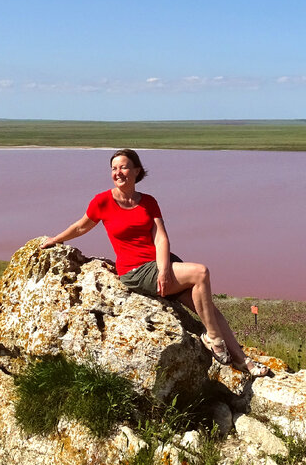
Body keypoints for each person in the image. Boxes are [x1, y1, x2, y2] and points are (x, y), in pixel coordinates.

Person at [39, 148, 270, 377]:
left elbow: (160, 237)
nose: (118, 172)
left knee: (207, 308)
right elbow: (81, 226)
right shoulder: (103, 201)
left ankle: (242, 361)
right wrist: (56, 239)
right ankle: (212, 338)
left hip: (160, 264)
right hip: (136, 271)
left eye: (124, 167)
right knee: (200, 272)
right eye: (114, 168)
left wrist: (163, 269)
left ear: (137, 170)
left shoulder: (148, 202)